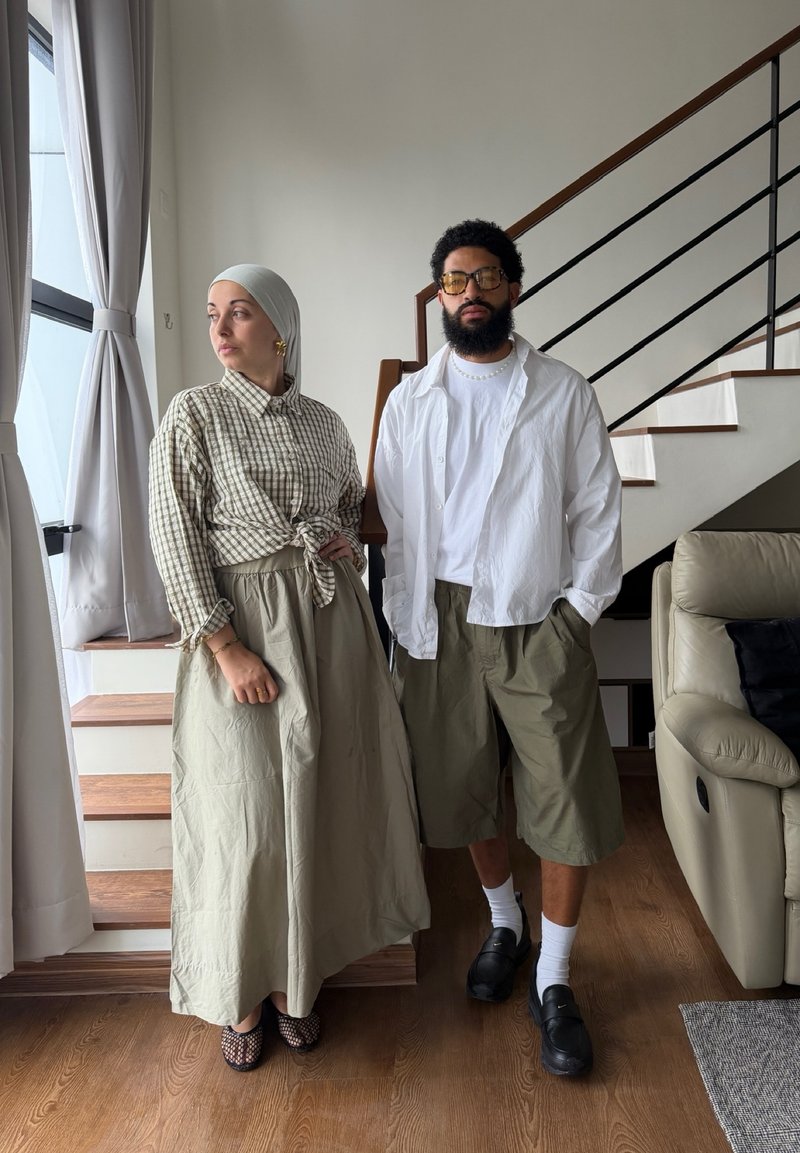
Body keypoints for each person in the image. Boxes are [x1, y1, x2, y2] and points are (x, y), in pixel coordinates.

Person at [149, 264, 430, 1072]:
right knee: (243, 815)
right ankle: (240, 988)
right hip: (241, 623)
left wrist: (342, 540)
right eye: (213, 313)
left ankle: (295, 981)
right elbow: (175, 532)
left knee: (319, 802)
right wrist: (224, 645)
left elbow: (346, 508)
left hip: (327, 622)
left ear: (281, 328)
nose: (220, 328)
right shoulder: (193, 413)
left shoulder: (325, 421)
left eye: (240, 313)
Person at [374, 220, 624, 1077]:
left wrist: (576, 616)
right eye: (454, 280)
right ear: (439, 297)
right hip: (439, 619)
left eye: (485, 276)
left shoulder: (563, 391)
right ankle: (505, 922)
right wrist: (405, 620)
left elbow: (598, 510)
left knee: (565, 800)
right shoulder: (410, 400)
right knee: (461, 788)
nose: (469, 291)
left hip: (535, 613)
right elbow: (396, 520)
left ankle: (555, 978)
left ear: (513, 287)